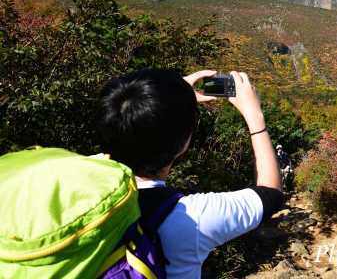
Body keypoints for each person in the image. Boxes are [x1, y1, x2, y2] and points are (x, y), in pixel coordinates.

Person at [97, 68, 284, 278]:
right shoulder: (189, 219)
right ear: (183, 144)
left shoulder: (70, 180)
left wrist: (166, 97)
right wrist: (255, 116)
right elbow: (271, 194)